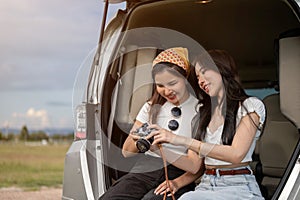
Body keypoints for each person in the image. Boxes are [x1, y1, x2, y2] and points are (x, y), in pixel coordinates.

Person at [151, 49, 266, 199]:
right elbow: (195, 165)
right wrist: (159, 150)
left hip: (238, 185)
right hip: (205, 184)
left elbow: (236, 154)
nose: (201, 81)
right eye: (198, 77)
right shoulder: (203, 112)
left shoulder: (250, 106)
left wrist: (179, 139)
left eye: (204, 72)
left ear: (222, 69)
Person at [99, 47, 200, 200]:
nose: (167, 91)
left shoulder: (199, 110)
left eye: (172, 83)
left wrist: (176, 181)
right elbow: (126, 152)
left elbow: (195, 166)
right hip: (144, 168)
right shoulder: (150, 107)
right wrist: (138, 138)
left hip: (178, 173)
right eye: (160, 85)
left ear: (185, 78)